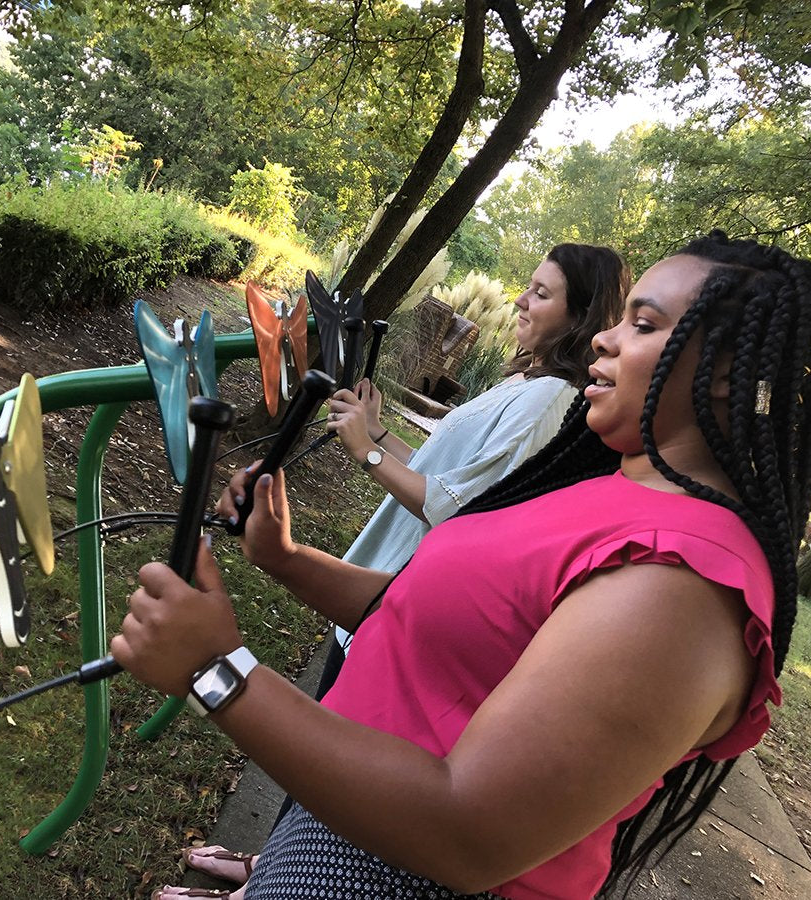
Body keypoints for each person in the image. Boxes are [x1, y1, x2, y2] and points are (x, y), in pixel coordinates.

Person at [111, 231, 811, 900]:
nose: (604, 339)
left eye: (645, 324)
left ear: (726, 371)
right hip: (344, 823)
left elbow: (467, 836)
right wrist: (285, 558)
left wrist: (217, 669)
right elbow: (428, 621)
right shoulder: (611, 487)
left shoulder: (680, 586)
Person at [175, 245, 630, 896]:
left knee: (334, 777)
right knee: (320, 782)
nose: (523, 301)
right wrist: (378, 434)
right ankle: (264, 870)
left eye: (541, 293)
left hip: (399, 609)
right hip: (380, 603)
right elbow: (452, 471)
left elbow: (466, 510)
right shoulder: (523, 384)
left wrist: (365, 454)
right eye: (527, 288)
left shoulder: (553, 402)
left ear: (582, 316)